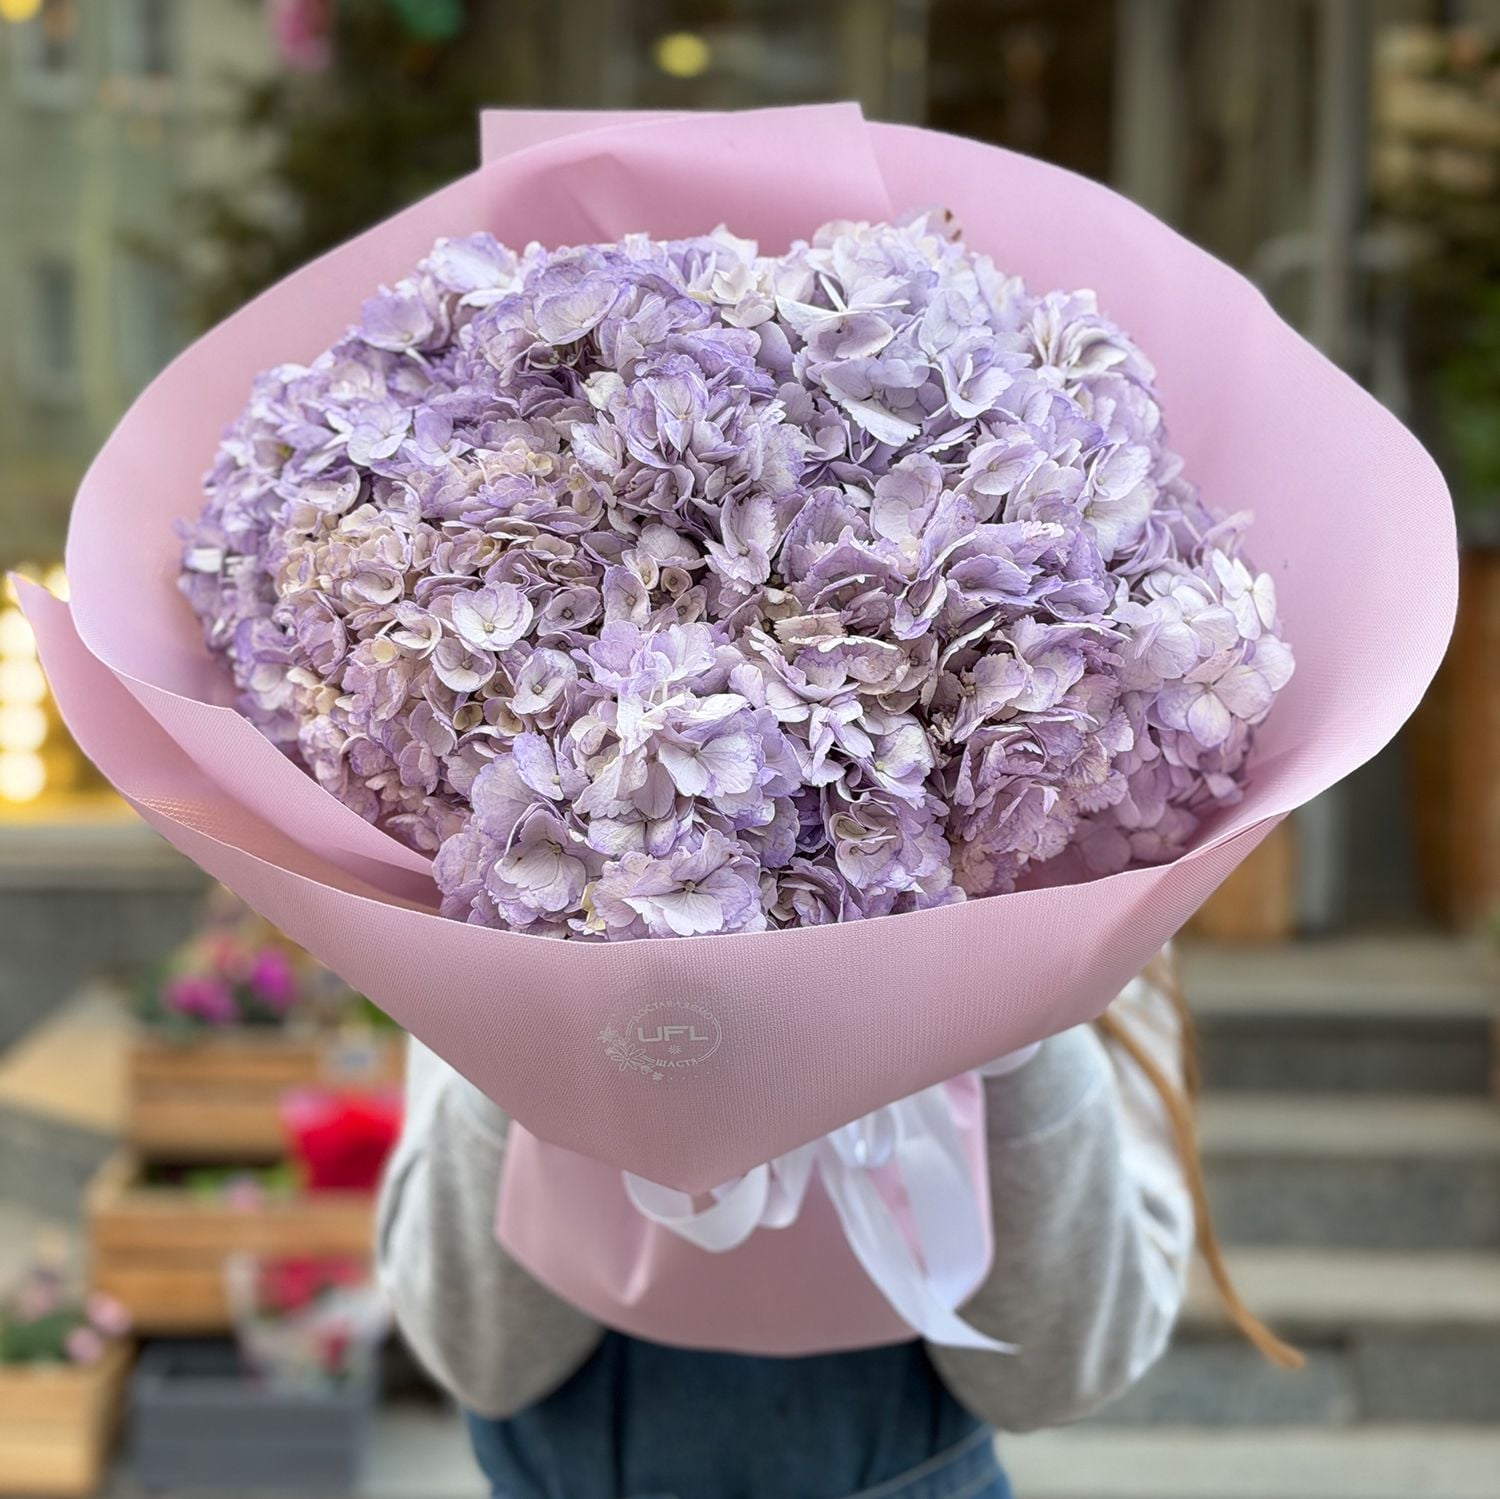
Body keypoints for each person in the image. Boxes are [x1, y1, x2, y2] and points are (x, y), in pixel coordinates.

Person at [376, 952, 1297, 1499]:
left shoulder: (1101, 875)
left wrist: (1028, 1016)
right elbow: (481, 1354)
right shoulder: (490, 833)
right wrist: (519, 999)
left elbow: (1053, 1375)